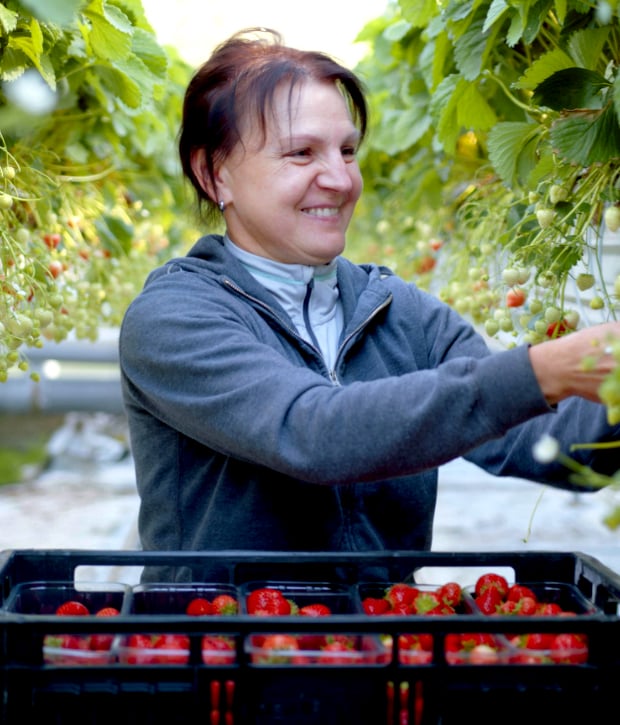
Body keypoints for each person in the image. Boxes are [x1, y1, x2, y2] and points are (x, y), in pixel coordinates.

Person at [119, 28, 620, 582]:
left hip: (383, 647)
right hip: (222, 652)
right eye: (301, 153)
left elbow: (542, 439)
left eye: (348, 150)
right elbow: (312, 434)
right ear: (214, 173)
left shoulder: (403, 314)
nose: (339, 179)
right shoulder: (173, 318)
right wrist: (543, 369)